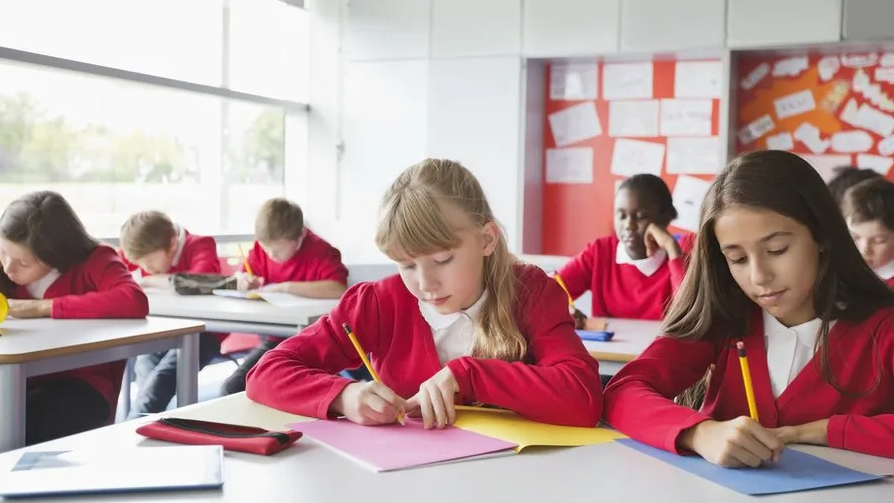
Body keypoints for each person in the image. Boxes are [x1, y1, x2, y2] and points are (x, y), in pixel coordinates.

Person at [245, 159, 603, 428]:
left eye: (442, 259)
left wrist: (470, 376)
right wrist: (343, 395)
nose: (425, 284)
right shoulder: (378, 302)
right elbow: (267, 371)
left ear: (486, 240)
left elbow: (584, 398)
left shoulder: (532, 292)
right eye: (406, 265)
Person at [604, 151, 894, 465]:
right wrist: (699, 433)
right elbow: (623, 392)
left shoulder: (883, 325)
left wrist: (818, 431)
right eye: (738, 259)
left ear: (821, 234)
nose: (759, 277)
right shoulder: (726, 315)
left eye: (777, 250)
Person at [0, 191, 149, 444]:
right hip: (15, 379)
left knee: (21, 422)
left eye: (23, 264)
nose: (8, 268)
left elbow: (133, 300)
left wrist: (43, 308)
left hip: (81, 384)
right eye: (3, 253)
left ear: (56, 254)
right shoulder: (7, 264)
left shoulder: (96, 260)